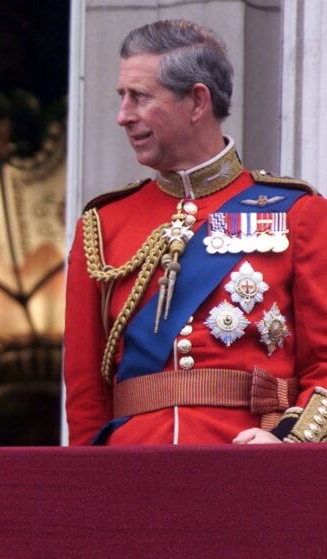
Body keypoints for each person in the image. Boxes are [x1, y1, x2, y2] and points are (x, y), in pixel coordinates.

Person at [64, 19, 327, 446]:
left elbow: (325, 365)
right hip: (133, 473)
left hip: (250, 468)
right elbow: (85, 394)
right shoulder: (103, 224)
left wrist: (288, 445)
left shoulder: (299, 213)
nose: (122, 116)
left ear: (197, 101)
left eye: (140, 97)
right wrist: (91, 485)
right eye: (121, 97)